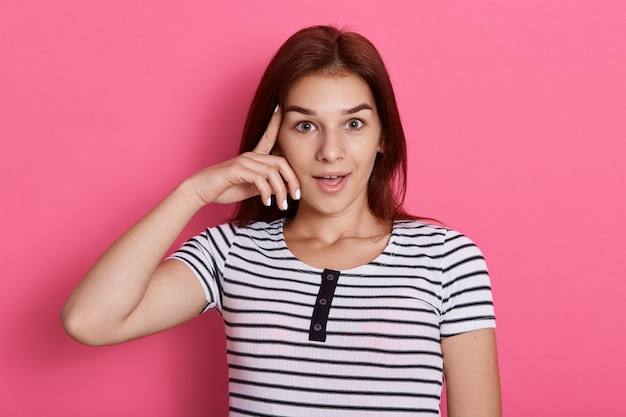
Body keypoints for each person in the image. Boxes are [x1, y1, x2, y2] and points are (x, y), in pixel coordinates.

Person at [62, 25, 501, 417]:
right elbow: (89, 321)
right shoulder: (232, 251)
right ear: (274, 139)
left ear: (383, 135)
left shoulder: (447, 259)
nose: (331, 151)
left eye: (353, 123)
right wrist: (193, 193)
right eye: (305, 126)